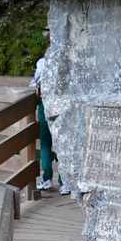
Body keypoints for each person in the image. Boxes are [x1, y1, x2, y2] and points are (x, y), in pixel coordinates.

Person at [31, 58, 70, 195]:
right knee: (61, 144)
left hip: (45, 104)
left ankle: (47, 178)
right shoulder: (65, 60)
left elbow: (36, 84)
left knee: (46, 143)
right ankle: (64, 181)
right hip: (61, 105)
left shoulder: (42, 62)